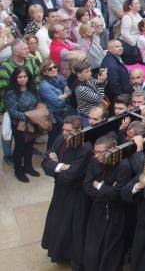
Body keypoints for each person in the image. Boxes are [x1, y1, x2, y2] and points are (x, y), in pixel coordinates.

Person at [41, 114, 92, 266]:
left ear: (78, 131)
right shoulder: (60, 139)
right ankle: (59, 253)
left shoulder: (85, 147)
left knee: (72, 227)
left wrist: (56, 165)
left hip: (75, 194)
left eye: (69, 131)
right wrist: (61, 166)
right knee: (57, 223)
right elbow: (45, 162)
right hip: (60, 192)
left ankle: (73, 257)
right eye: (64, 130)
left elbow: (70, 176)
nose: (64, 134)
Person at [82, 134, 132, 271]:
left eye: (100, 152)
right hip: (97, 210)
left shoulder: (124, 166)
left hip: (115, 214)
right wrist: (107, 189)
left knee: (110, 249)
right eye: (95, 152)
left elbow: (116, 195)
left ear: (112, 150)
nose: (96, 156)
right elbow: (86, 185)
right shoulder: (94, 161)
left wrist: (98, 185)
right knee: (93, 245)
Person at [5, 67, 43, 182]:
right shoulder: (11, 91)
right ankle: (18, 170)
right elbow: (13, 111)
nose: (22, 79)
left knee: (30, 146)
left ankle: (28, 167)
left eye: (24, 76)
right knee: (20, 147)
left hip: (33, 123)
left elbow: (38, 103)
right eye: (19, 77)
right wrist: (29, 116)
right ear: (15, 78)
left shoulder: (32, 88)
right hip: (19, 124)